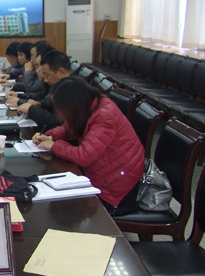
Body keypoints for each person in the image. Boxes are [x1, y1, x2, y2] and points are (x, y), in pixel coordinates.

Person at [33, 76, 145, 215]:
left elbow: (84, 156)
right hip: (107, 173)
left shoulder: (105, 116)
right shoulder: (91, 106)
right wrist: (51, 136)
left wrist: (54, 145)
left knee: (63, 209)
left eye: (59, 108)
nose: (59, 112)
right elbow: (72, 126)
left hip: (116, 187)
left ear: (72, 105)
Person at [14, 50, 72, 131]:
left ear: (61, 72)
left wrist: (32, 110)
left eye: (47, 76)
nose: (45, 80)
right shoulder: (63, 85)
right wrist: (40, 104)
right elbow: (50, 103)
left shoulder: (73, 90)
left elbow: (61, 122)